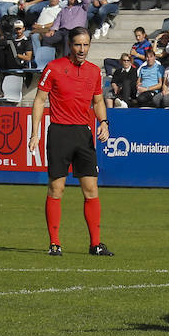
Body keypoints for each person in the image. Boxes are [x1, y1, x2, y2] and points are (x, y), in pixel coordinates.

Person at [27, 28, 112, 257]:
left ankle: (95, 244)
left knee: (91, 189)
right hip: (59, 133)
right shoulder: (54, 68)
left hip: (83, 135)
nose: (82, 50)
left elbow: (98, 101)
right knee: (57, 188)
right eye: (77, 45)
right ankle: (55, 243)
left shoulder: (95, 72)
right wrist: (35, 133)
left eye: (85, 45)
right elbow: (39, 100)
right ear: (70, 45)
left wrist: (104, 122)